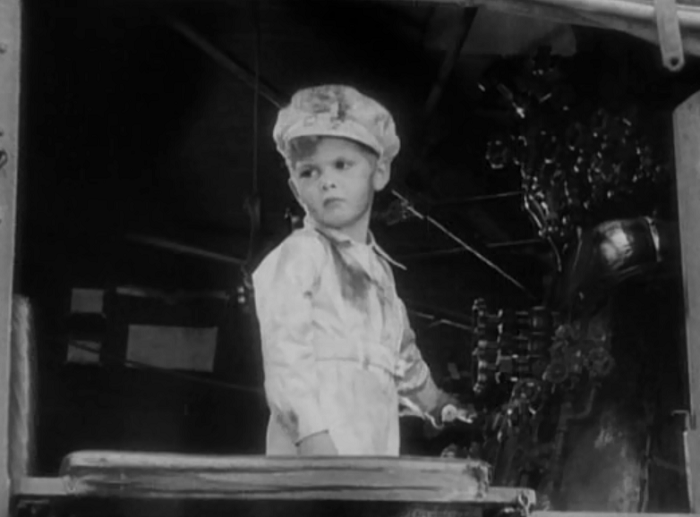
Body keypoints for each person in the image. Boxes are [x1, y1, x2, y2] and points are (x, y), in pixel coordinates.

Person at [252, 85, 468, 456]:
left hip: (371, 444)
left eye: (342, 165)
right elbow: (285, 359)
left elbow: (402, 355)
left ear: (379, 172)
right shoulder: (300, 255)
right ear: (295, 189)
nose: (327, 181)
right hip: (313, 448)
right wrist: (313, 439)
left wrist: (434, 403)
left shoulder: (380, 273)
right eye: (309, 172)